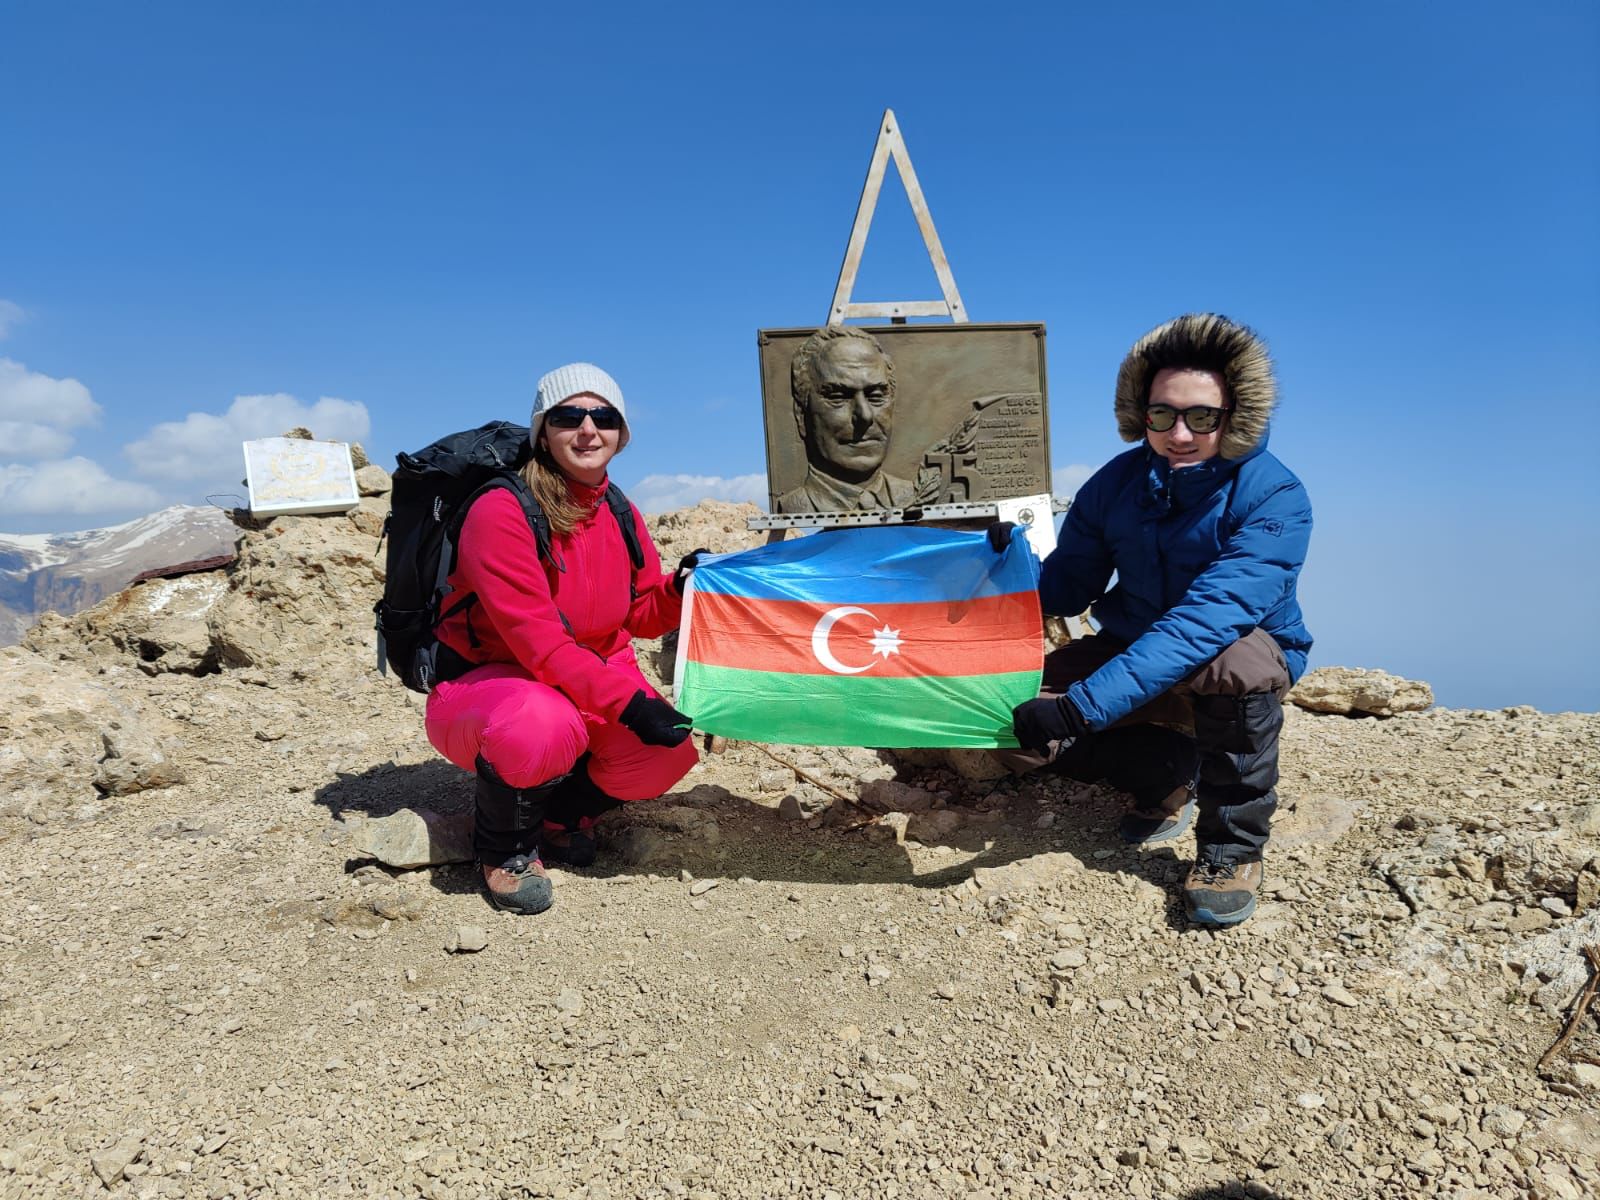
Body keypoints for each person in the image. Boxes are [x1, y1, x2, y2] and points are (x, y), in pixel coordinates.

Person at [1005, 314, 1313, 927]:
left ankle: (1230, 849)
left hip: (1234, 651)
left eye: (1201, 416)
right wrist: (1002, 564)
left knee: (1236, 669)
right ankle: (1165, 772)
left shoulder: (1274, 495)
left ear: (1234, 416)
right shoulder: (1116, 483)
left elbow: (1206, 622)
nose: (1179, 433)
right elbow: (1067, 587)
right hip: (1132, 643)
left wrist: (1081, 708)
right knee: (1008, 713)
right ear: (1139, 413)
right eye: (1162, 414)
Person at [422, 363, 701, 914]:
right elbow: (541, 647)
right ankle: (504, 848)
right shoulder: (501, 510)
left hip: (587, 678)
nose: (588, 429)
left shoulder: (618, 509)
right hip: (493, 687)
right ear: (543, 432)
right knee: (541, 723)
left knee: (665, 755)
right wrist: (632, 704)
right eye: (569, 416)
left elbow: (640, 615)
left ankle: (557, 816)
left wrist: (678, 588)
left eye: (604, 417)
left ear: (621, 433)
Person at [774, 325, 918, 513]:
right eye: (838, 397)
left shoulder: (916, 494)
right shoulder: (793, 507)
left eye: (875, 396)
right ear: (801, 415)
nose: (865, 415)